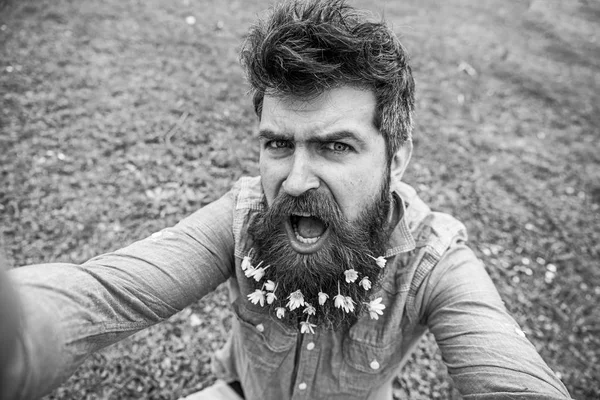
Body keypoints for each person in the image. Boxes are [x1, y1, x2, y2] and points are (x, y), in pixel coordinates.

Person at [1, 0, 572, 399]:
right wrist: (17, 342)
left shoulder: (433, 262)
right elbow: (107, 292)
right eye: (278, 143)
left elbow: (507, 370)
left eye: (336, 146)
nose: (296, 180)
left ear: (396, 159)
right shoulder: (243, 219)